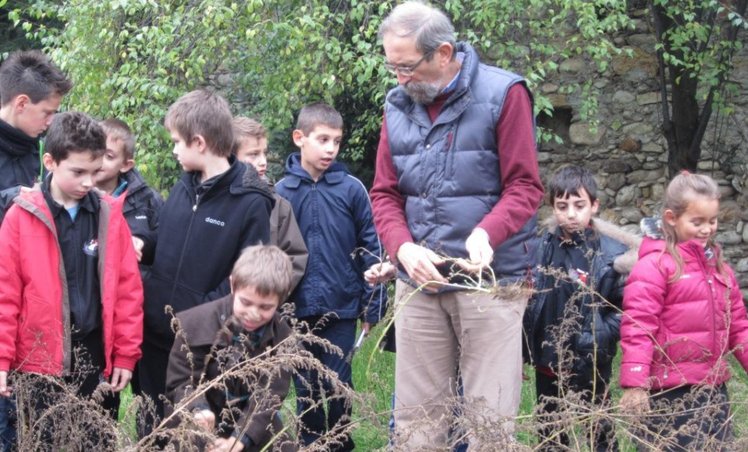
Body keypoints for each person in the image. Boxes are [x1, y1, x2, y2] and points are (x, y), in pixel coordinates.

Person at [369, 1, 544, 448]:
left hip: (490, 282)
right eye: (392, 67)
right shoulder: (396, 105)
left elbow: (525, 187)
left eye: (407, 67)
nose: (400, 79)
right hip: (419, 285)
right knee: (416, 428)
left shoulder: (505, 94)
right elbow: (385, 194)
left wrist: (487, 231)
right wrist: (402, 249)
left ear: (443, 53)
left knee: (489, 425)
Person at [0, 111, 143, 449]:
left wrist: (125, 354)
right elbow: (5, 294)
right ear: (50, 162)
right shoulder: (21, 217)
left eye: (95, 172)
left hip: (94, 361)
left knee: (94, 441)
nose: (88, 183)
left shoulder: (108, 214)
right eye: (78, 172)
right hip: (37, 365)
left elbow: (127, 290)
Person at [135, 90, 273, 434]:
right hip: (155, 336)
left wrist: (195, 319)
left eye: (176, 142)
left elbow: (245, 279)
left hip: (202, 348)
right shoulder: (183, 188)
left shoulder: (251, 202)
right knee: (153, 430)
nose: (173, 150)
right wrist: (142, 244)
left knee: (198, 434)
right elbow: (169, 241)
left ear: (199, 142)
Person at [275, 102, 386, 450]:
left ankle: (340, 440)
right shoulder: (281, 193)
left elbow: (372, 249)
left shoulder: (351, 189)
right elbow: (271, 254)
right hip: (296, 308)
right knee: (306, 385)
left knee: (339, 382)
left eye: (336, 141)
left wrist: (373, 306)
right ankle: (310, 441)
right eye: (322, 139)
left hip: (342, 306)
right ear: (299, 138)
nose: (330, 149)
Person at [619, 172, 748, 451]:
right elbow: (638, 326)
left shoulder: (720, 269)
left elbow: (739, 326)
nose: (706, 230)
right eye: (697, 222)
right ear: (671, 218)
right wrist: (635, 383)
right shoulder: (655, 266)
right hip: (669, 394)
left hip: (713, 390)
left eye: (712, 221)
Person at [523, 165, 639, 451]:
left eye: (579, 205)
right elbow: (529, 302)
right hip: (548, 361)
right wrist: (522, 349)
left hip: (590, 360)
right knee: (550, 433)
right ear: (552, 207)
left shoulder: (612, 254)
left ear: (594, 206)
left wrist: (601, 333)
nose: (571, 214)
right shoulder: (542, 248)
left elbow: (627, 307)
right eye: (562, 206)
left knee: (599, 430)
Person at [165, 245, 297, 452]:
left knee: (285, 447)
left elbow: (269, 397)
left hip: (251, 420)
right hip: (200, 416)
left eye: (265, 307)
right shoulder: (192, 323)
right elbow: (181, 381)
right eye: (246, 302)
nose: (253, 313)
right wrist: (198, 409)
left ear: (281, 299)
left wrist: (241, 439)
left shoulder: (283, 336)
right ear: (233, 285)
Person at [232, 116, 308, 291]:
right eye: (253, 154)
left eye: (264, 153)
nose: (263, 161)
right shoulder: (214, 201)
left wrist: (270, 295)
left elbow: (295, 258)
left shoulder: (278, 205)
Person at [0, 50, 72, 221]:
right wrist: (10, 198)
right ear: (22, 103)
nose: (50, 122)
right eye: (46, 113)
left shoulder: (43, 152)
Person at [95, 118, 163, 254]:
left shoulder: (146, 199)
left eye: (108, 156)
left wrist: (142, 242)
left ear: (126, 165)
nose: (99, 160)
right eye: (96, 151)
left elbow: (164, 240)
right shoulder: (77, 193)